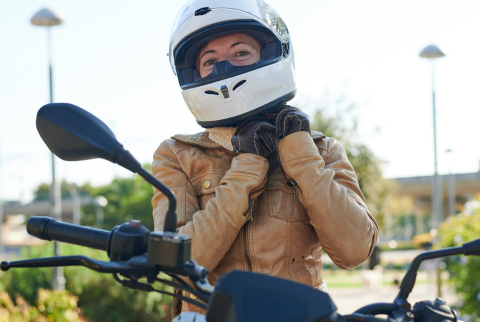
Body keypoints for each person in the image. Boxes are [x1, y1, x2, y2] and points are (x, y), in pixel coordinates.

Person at [152, 0, 379, 318]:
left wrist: (301, 157)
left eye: (240, 52)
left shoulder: (323, 149)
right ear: (193, 72)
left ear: (271, 53)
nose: (225, 69)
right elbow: (177, 265)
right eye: (210, 61)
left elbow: (354, 250)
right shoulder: (177, 154)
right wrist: (246, 168)